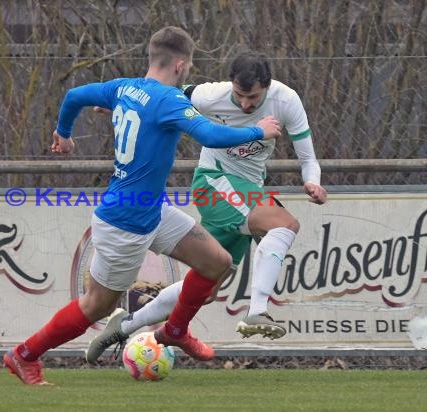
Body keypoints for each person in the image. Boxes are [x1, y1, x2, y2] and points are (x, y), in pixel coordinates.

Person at [3, 28, 281, 385]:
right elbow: (211, 135)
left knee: (217, 263)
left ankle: (175, 330)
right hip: (125, 221)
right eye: (191, 65)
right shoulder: (168, 100)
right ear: (180, 65)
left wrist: (65, 134)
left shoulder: (123, 88)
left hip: (151, 209)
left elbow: (74, 95)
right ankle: (24, 355)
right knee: (97, 306)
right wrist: (259, 131)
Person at [85, 50, 327, 364]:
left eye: (252, 98)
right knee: (285, 224)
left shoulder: (286, 101)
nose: (245, 104)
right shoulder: (211, 95)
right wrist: (116, 103)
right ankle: (257, 312)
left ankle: (127, 323)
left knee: (205, 287)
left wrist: (313, 181)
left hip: (245, 191)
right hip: (214, 182)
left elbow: (308, 157)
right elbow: (158, 95)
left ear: (267, 87)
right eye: (239, 95)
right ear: (231, 85)